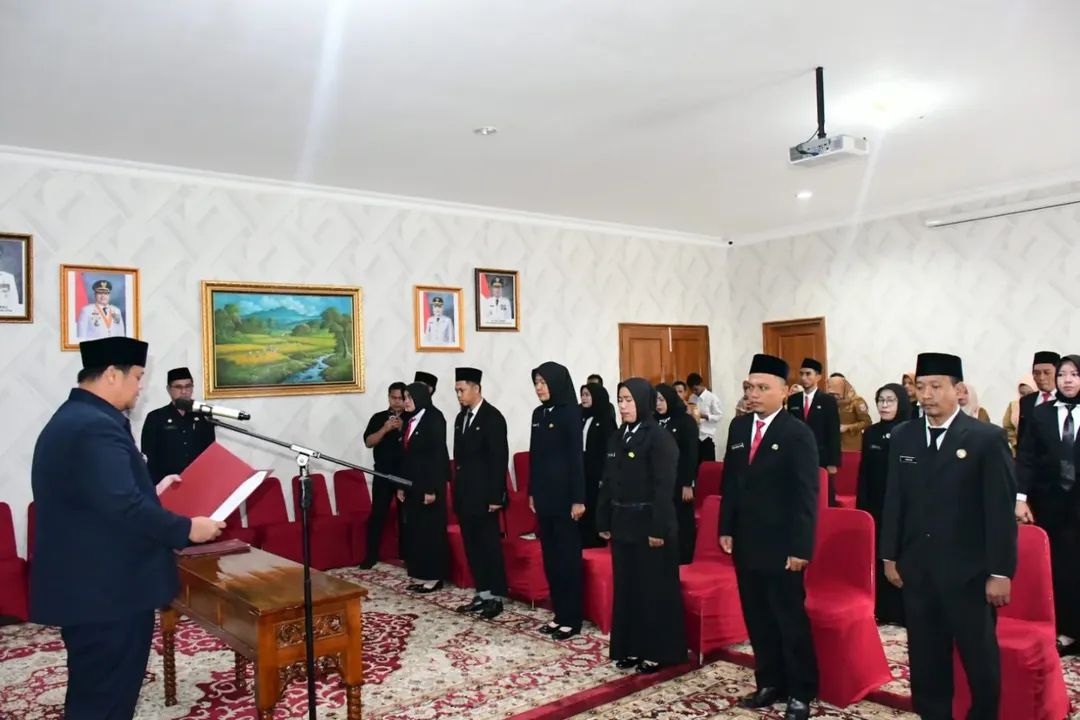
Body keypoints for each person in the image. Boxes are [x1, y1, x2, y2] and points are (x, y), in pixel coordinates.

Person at [30, 337, 225, 719]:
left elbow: (102, 498)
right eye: (137, 377)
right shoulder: (94, 427)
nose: (140, 387)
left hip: (93, 588)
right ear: (111, 375)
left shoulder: (76, 418)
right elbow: (125, 507)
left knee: (96, 693)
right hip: (107, 593)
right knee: (105, 700)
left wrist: (153, 491)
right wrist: (188, 528)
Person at [881, 352, 1017, 720]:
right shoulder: (904, 435)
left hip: (969, 574)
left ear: (958, 390)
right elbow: (894, 499)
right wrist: (890, 555)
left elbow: (1000, 512)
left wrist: (1001, 572)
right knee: (925, 659)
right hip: (918, 569)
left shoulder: (986, 438)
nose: (926, 395)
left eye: (936, 386)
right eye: (921, 387)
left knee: (980, 659)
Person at [721, 354, 819, 720]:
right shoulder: (738, 428)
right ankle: (769, 681)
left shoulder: (797, 433)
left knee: (788, 618)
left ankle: (800, 691)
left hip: (782, 545)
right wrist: (725, 527)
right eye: (750, 387)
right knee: (757, 616)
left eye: (763, 387)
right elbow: (730, 483)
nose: (754, 394)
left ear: (785, 391)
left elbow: (806, 496)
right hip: (746, 541)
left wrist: (800, 547)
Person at [598, 378, 687, 673]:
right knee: (628, 589)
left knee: (653, 590)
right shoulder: (617, 437)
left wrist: (658, 529)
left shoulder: (659, 438)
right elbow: (608, 480)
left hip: (651, 524)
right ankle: (632, 647)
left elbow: (664, 488)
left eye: (629, 400)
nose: (623, 406)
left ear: (643, 402)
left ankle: (658, 651)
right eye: (620, 400)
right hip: (623, 523)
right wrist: (603, 517)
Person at [1016, 354, 1080, 656]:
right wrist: (1020, 498)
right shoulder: (1041, 414)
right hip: (1051, 502)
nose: (1067, 380)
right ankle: (1066, 630)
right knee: (1059, 568)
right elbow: (1026, 457)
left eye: (1074, 374)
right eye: (1063, 374)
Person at [529, 361, 586, 640]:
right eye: (536, 383)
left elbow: (576, 458)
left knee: (567, 560)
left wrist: (578, 498)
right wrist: (531, 491)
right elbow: (534, 455)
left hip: (566, 499)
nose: (539, 388)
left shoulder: (570, 412)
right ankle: (559, 614)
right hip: (544, 497)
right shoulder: (538, 413)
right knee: (551, 559)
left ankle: (572, 618)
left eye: (543, 382)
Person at [452, 367, 510, 619]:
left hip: (485, 496)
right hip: (465, 494)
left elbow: (499, 459)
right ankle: (482, 592)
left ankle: (495, 597)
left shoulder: (492, 417)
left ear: (476, 389)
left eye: (462, 390)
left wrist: (496, 496)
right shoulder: (461, 418)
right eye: (456, 391)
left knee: (488, 546)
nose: (459, 395)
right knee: (472, 546)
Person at [855, 383, 911, 625]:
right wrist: (862, 507)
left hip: (904, 507)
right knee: (879, 555)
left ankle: (904, 611)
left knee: (902, 557)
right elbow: (864, 472)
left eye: (890, 400)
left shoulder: (911, 432)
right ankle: (883, 609)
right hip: (876, 505)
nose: (884, 405)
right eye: (881, 400)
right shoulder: (871, 432)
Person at [396, 382, 450, 593]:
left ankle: (434, 576)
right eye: (405, 397)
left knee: (430, 531)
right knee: (415, 530)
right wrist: (401, 485)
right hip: (412, 484)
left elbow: (437, 456)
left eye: (409, 397)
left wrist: (432, 489)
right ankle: (420, 573)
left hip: (429, 485)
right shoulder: (410, 419)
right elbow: (405, 456)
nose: (406, 402)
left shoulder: (434, 418)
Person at [358, 381, 407, 569]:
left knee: (406, 517)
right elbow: (368, 442)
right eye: (393, 398)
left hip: (405, 474)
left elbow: (418, 445)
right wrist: (385, 429)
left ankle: (407, 555)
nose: (397, 402)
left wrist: (402, 428)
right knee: (378, 515)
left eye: (400, 398)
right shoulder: (378, 418)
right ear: (388, 397)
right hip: (383, 473)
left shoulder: (412, 418)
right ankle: (370, 556)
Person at [139, 367, 216, 482]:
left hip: (199, 481)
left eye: (188, 386)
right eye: (178, 387)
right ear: (169, 389)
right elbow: (149, 457)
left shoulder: (203, 416)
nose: (184, 391)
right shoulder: (156, 417)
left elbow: (210, 452)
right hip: (166, 483)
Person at [787, 358, 841, 506]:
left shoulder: (828, 400)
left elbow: (833, 432)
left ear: (818, 377)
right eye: (801, 374)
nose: (804, 378)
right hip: (798, 454)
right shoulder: (793, 400)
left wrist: (833, 462)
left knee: (824, 495)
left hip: (821, 456)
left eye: (808, 374)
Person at [655, 383, 698, 564]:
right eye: (655, 400)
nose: (658, 404)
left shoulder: (685, 421)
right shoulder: (652, 421)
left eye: (661, 400)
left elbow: (691, 454)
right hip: (658, 481)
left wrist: (688, 483)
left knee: (681, 519)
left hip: (679, 479)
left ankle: (684, 557)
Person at [580, 382, 617, 548]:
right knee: (584, 503)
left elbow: (611, 448)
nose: (584, 398)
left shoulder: (605, 419)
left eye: (587, 395)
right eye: (582, 395)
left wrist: (605, 474)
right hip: (583, 468)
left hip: (598, 469)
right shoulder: (581, 416)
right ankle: (584, 539)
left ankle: (597, 540)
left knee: (597, 504)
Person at [1017, 351, 1061, 446]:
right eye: (1036, 373)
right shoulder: (1026, 401)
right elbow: (1022, 435)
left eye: (1047, 373)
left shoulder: (1067, 400)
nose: (1041, 378)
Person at [828, 373, 872, 451]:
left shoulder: (857, 401)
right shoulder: (829, 400)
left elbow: (867, 422)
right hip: (833, 444)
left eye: (837, 393)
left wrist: (848, 427)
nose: (835, 396)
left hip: (851, 445)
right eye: (832, 393)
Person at [687, 372, 723, 463]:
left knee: (709, 465)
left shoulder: (712, 398)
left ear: (701, 384)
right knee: (695, 464)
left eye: (696, 389)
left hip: (707, 437)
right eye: (692, 390)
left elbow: (719, 416)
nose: (694, 392)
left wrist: (705, 416)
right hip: (694, 436)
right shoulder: (691, 398)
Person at [1002, 374, 1037, 456]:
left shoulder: (1043, 406)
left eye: (1030, 393)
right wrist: (1015, 442)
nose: (1026, 396)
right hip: (1018, 451)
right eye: (1022, 393)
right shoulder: (1014, 405)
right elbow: (1007, 427)